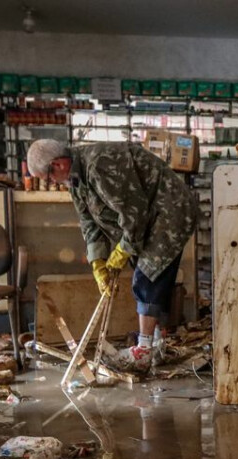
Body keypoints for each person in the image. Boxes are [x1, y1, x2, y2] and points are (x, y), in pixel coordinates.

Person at [26, 139, 200, 371]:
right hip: (147, 219)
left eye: (47, 178)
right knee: (146, 271)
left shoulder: (100, 164)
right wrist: (98, 262)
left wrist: (121, 252)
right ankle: (157, 343)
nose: (50, 183)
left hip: (169, 211)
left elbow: (134, 213)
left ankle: (144, 350)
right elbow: (88, 221)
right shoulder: (75, 178)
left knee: (148, 273)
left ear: (57, 165)